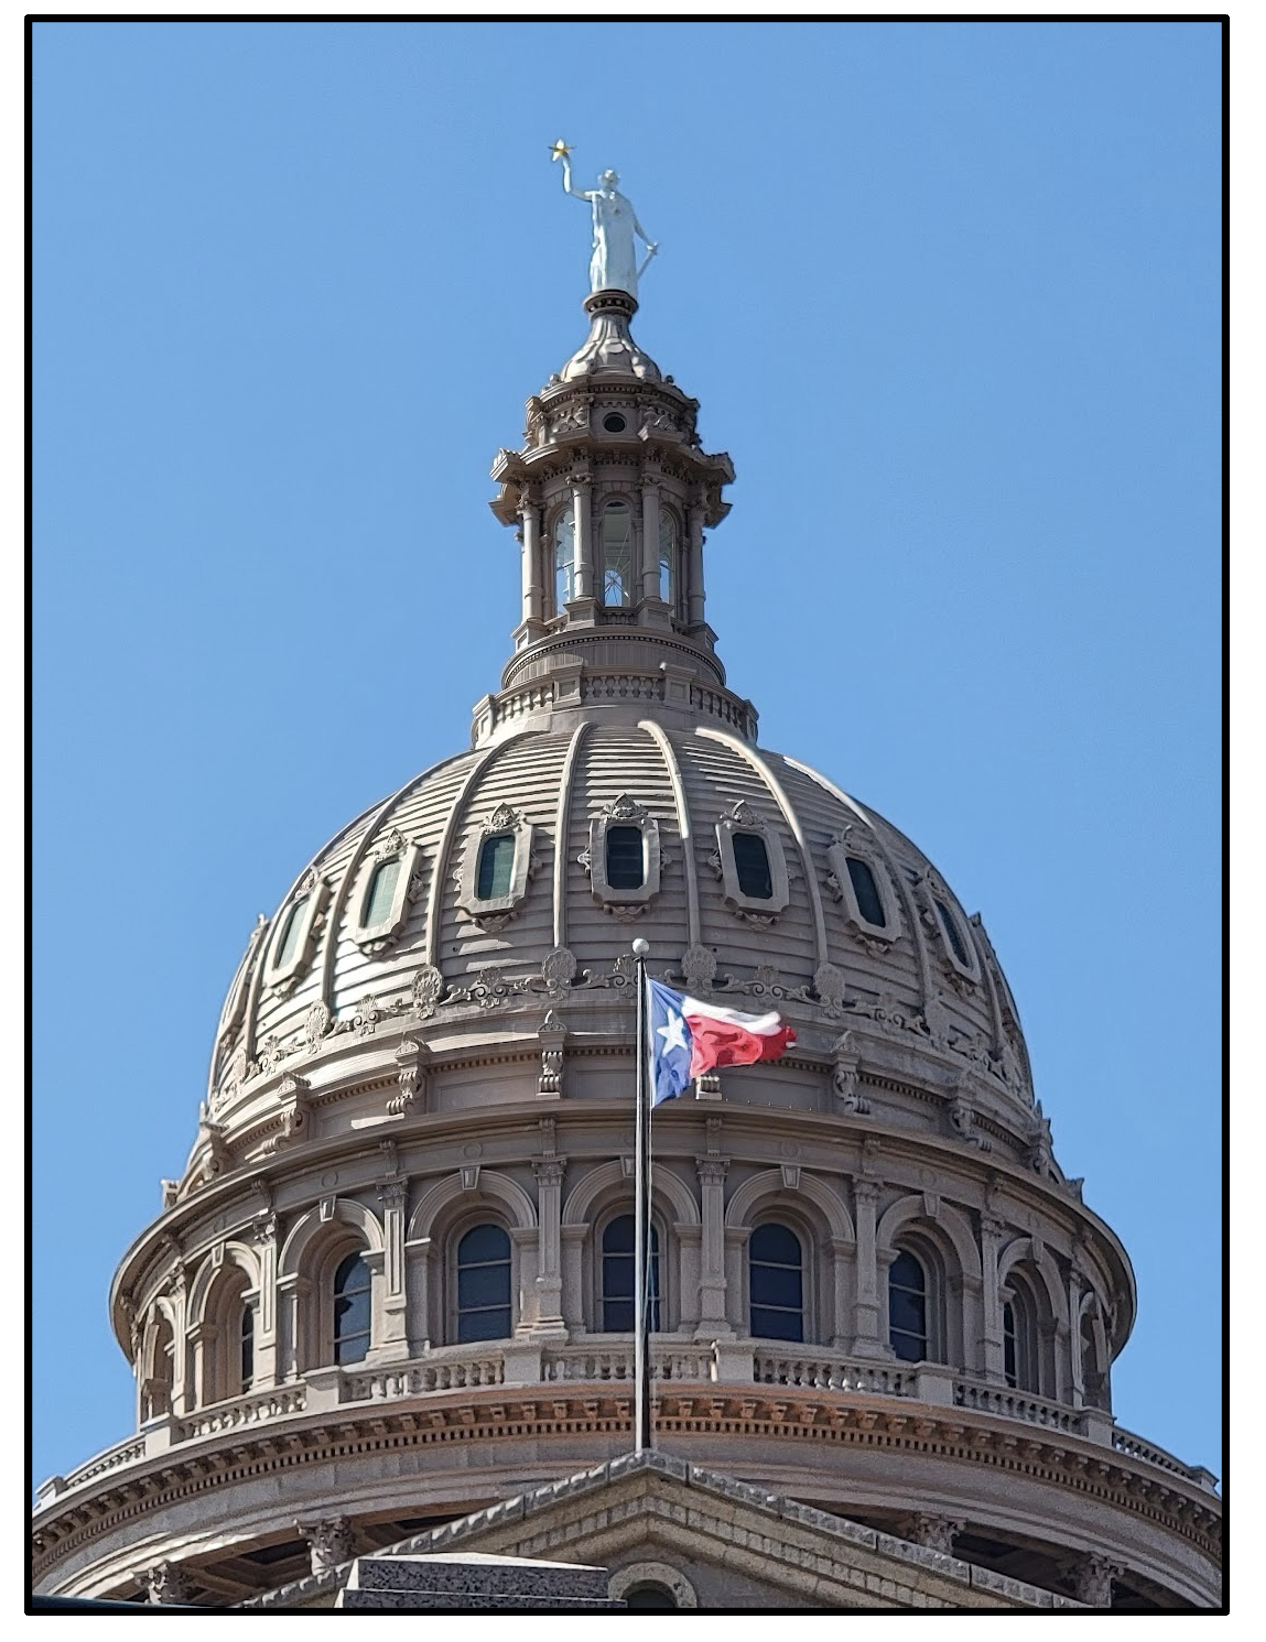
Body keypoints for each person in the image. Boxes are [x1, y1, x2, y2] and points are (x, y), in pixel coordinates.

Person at [557, 155, 657, 298]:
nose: (609, 183)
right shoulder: (597, 196)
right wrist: (568, 168)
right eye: (607, 180)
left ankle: (620, 288)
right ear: (602, 180)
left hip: (622, 236)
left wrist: (648, 242)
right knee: (605, 260)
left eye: (612, 180)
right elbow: (571, 189)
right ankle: (606, 289)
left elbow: (635, 224)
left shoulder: (625, 202)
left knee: (622, 264)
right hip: (607, 233)